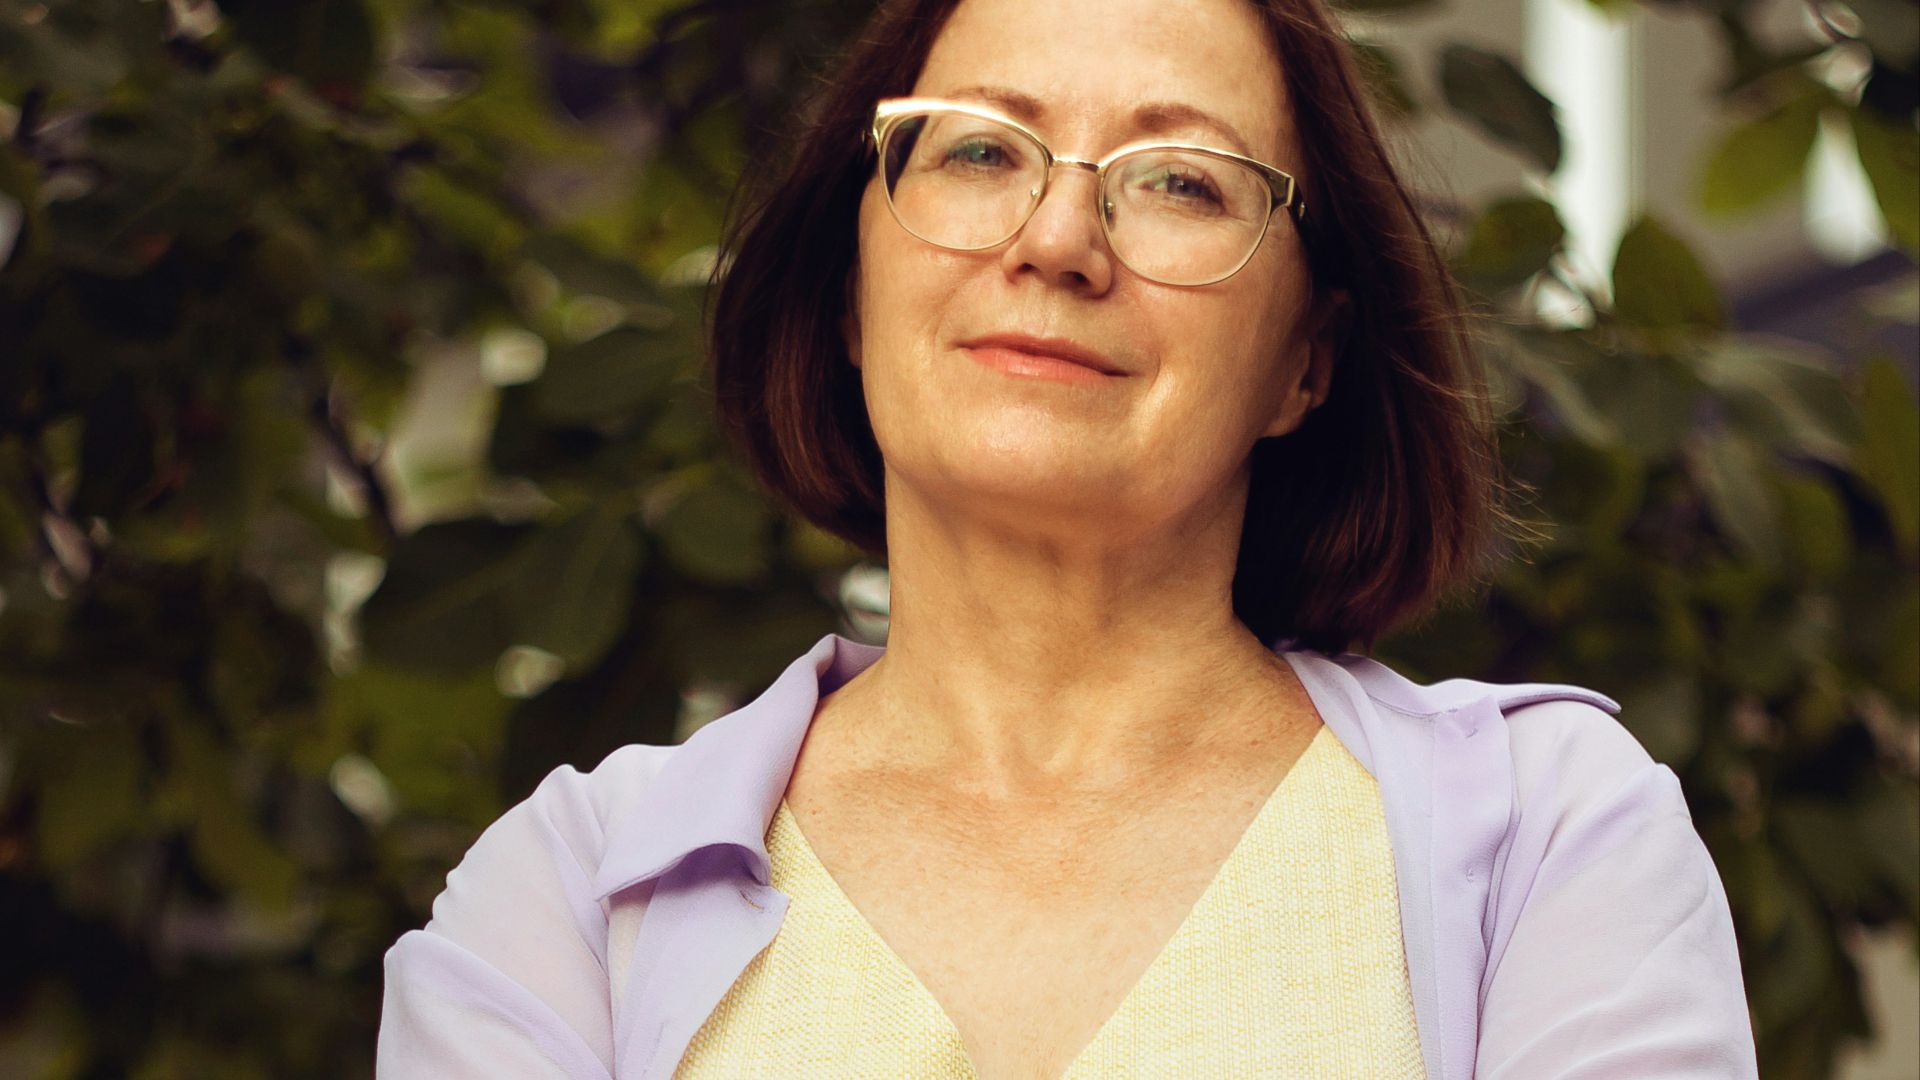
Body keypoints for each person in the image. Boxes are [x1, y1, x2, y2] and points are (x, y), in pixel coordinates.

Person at [376, 0, 1760, 1075]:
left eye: (1181, 181)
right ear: (851, 294)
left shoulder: (1555, 840)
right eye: (978, 147)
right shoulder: (562, 905)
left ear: (1307, 360)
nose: (1058, 238)